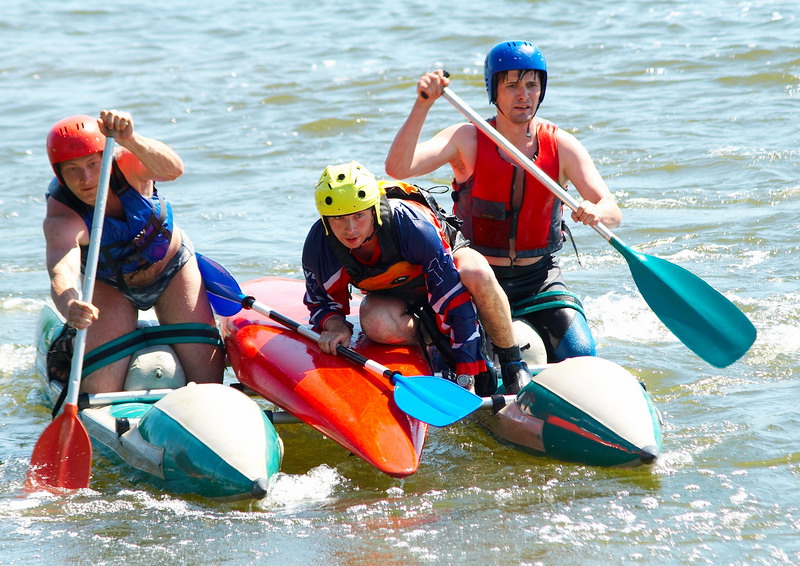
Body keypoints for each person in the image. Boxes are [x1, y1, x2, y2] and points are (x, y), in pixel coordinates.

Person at [385, 40, 623, 362]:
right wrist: (423, 105)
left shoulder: (562, 146)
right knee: (476, 363)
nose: (523, 95)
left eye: (531, 85)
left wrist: (596, 211)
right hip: (478, 280)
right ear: (493, 91)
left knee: (581, 352)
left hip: (539, 279)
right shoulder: (467, 139)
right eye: (512, 86)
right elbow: (398, 168)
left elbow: (612, 210)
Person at [302, 161, 531, 394]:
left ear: (373, 209)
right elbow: (320, 302)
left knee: (477, 273)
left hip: (447, 272)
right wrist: (336, 326)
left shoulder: (411, 225)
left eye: (358, 215)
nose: (350, 229)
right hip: (393, 293)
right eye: (339, 218)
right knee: (374, 322)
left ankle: (512, 361)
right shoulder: (319, 245)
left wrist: (467, 369)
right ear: (325, 219)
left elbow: (452, 297)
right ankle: (437, 347)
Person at [44, 110, 225, 394]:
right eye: (73, 170)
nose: (86, 178)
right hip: (111, 287)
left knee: (208, 380)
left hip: (172, 270)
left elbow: (173, 170)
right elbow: (61, 269)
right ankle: (74, 339)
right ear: (60, 174)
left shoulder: (129, 165)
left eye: (93, 164)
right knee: (99, 390)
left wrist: (131, 139)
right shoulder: (62, 215)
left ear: (106, 158)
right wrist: (70, 304)